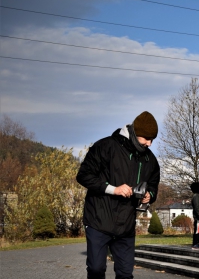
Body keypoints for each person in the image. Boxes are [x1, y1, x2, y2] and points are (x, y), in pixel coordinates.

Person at [76, 111, 160, 279]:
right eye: (146, 139)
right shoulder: (106, 147)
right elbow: (83, 176)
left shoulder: (150, 160)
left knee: (125, 274)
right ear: (136, 134)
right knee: (96, 270)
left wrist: (149, 195)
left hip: (126, 226)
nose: (150, 144)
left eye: (153, 140)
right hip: (99, 220)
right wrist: (113, 189)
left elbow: (153, 183)